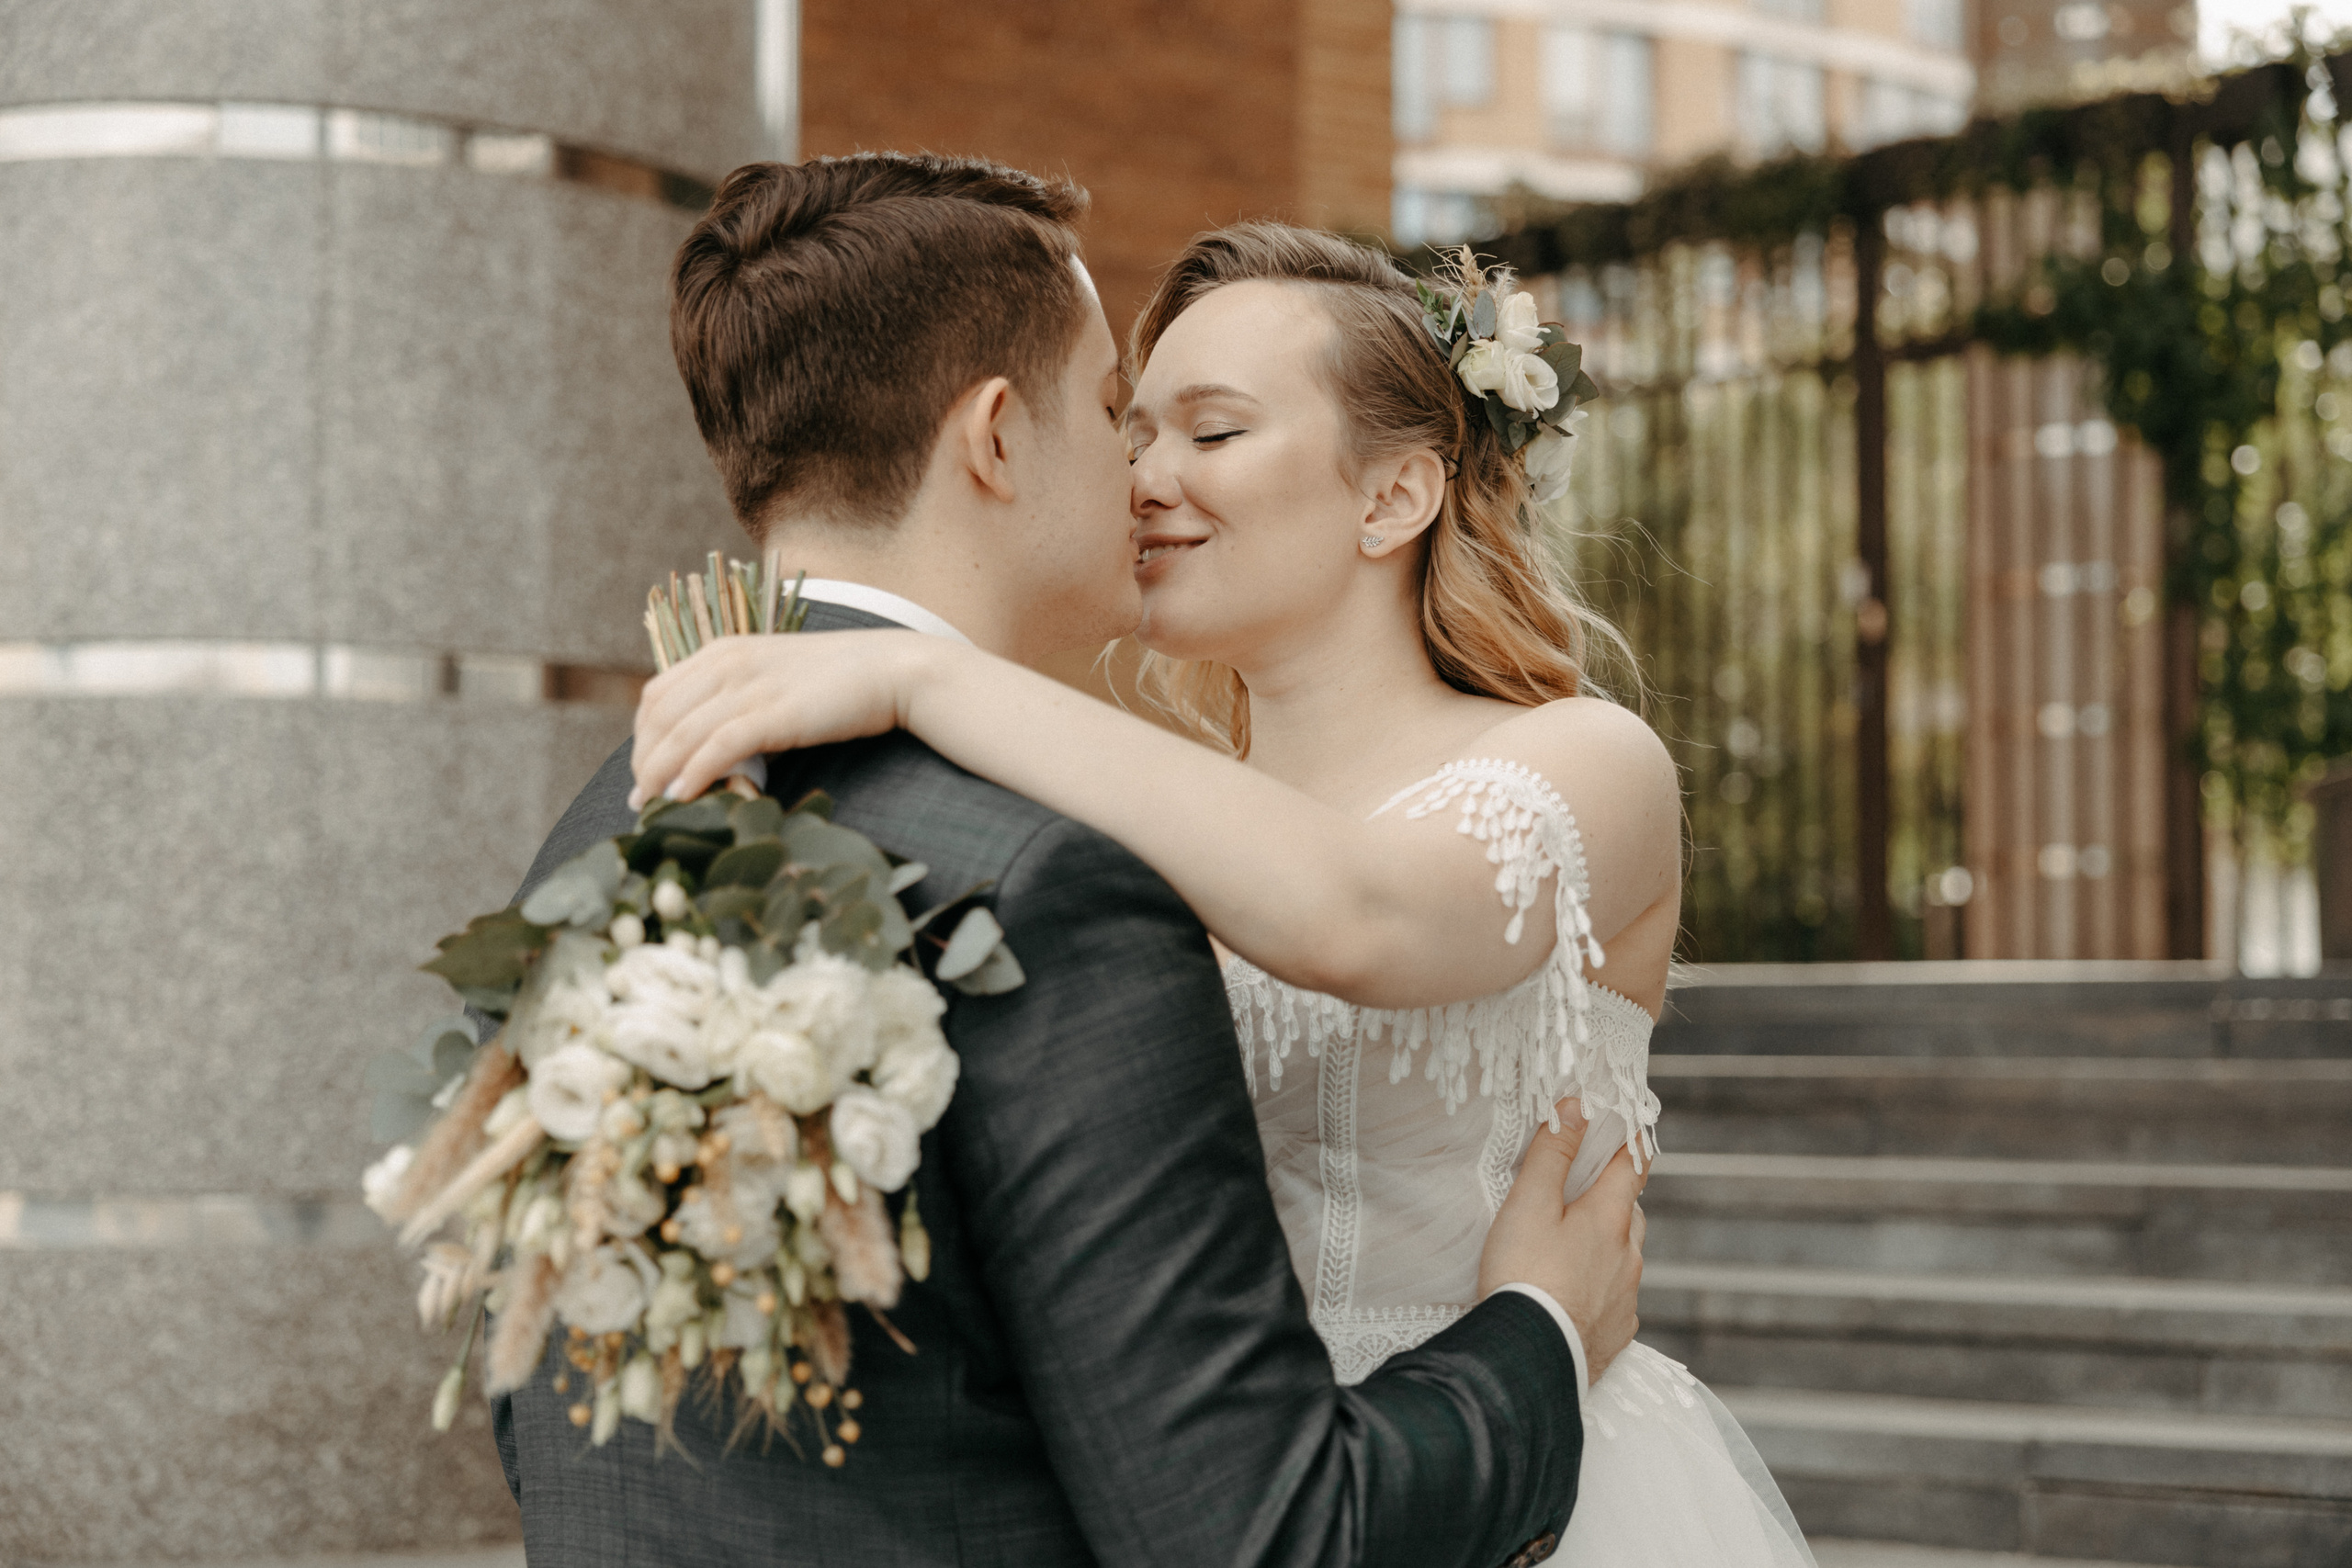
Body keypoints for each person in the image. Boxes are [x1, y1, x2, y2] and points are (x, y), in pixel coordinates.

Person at [493, 153, 1644, 1568]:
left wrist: (927, 678)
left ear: (1398, 493)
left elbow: (1366, 911)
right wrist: (1538, 1327)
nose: (1144, 475)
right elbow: (1248, 1521)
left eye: (1205, 430)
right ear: (995, 437)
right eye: (1120, 416)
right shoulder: (1065, 869)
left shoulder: (601, 838)